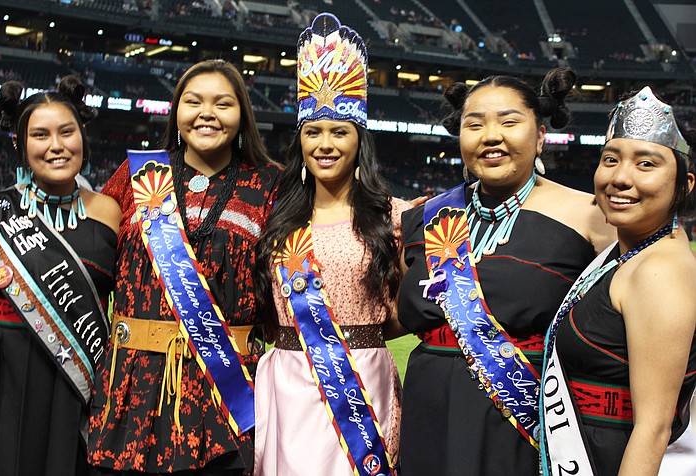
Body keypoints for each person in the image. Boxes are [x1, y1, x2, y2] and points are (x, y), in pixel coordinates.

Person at [397, 67, 615, 475]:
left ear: (540, 137)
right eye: (474, 124)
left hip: (524, 419)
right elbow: (393, 315)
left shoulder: (593, 216)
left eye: (509, 122)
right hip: (428, 409)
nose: (491, 136)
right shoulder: (424, 216)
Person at [87, 59, 280, 475]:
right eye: (193, 102)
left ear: (243, 116)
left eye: (222, 103)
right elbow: (89, 257)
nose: (206, 113)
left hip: (227, 393)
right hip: (132, 384)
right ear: (176, 112)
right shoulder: (136, 175)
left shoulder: (272, 184)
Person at [253, 13, 409, 475]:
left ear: (359, 140)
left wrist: (361, 338)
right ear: (299, 140)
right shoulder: (276, 217)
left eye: (339, 131)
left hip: (362, 384)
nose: (325, 144)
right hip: (287, 383)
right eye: (313, 132)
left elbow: (406, 310)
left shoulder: (392, 217)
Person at [540, 87, 696, 476]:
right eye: (610, 159)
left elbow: (654, 429)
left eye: (647, 164)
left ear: (685, 184)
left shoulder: (659, 273)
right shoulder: (633, 252)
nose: (620, 178)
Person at [0, 76, 121, 475]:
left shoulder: (111, 210)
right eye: (40, 135)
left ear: (83, 136)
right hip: (3, 372)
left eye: (66, 132)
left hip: (79, 378)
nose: (56, 146)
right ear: (20, 144)